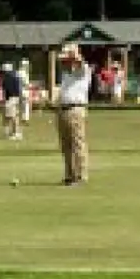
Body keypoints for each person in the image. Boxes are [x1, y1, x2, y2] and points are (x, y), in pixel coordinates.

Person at [53, 44, 92, 185]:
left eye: (65, 60)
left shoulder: (83, 70)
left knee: (77, 143)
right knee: (66, 145)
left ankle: (81, 175)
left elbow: (79, 61)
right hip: (63, 110)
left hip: (76, 109)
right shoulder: (66, 74)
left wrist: (73, 53)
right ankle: (70, 174)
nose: (63, 63)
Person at [0, 63, 25, 141]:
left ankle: (15, 133)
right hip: (16, 98)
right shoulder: (16, 77)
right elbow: (19, 89)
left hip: (11, 99)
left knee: (12, 116)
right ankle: (13, 132)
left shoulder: (6, 79)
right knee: (13, 116)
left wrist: (5, 100)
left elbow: (5, 91)